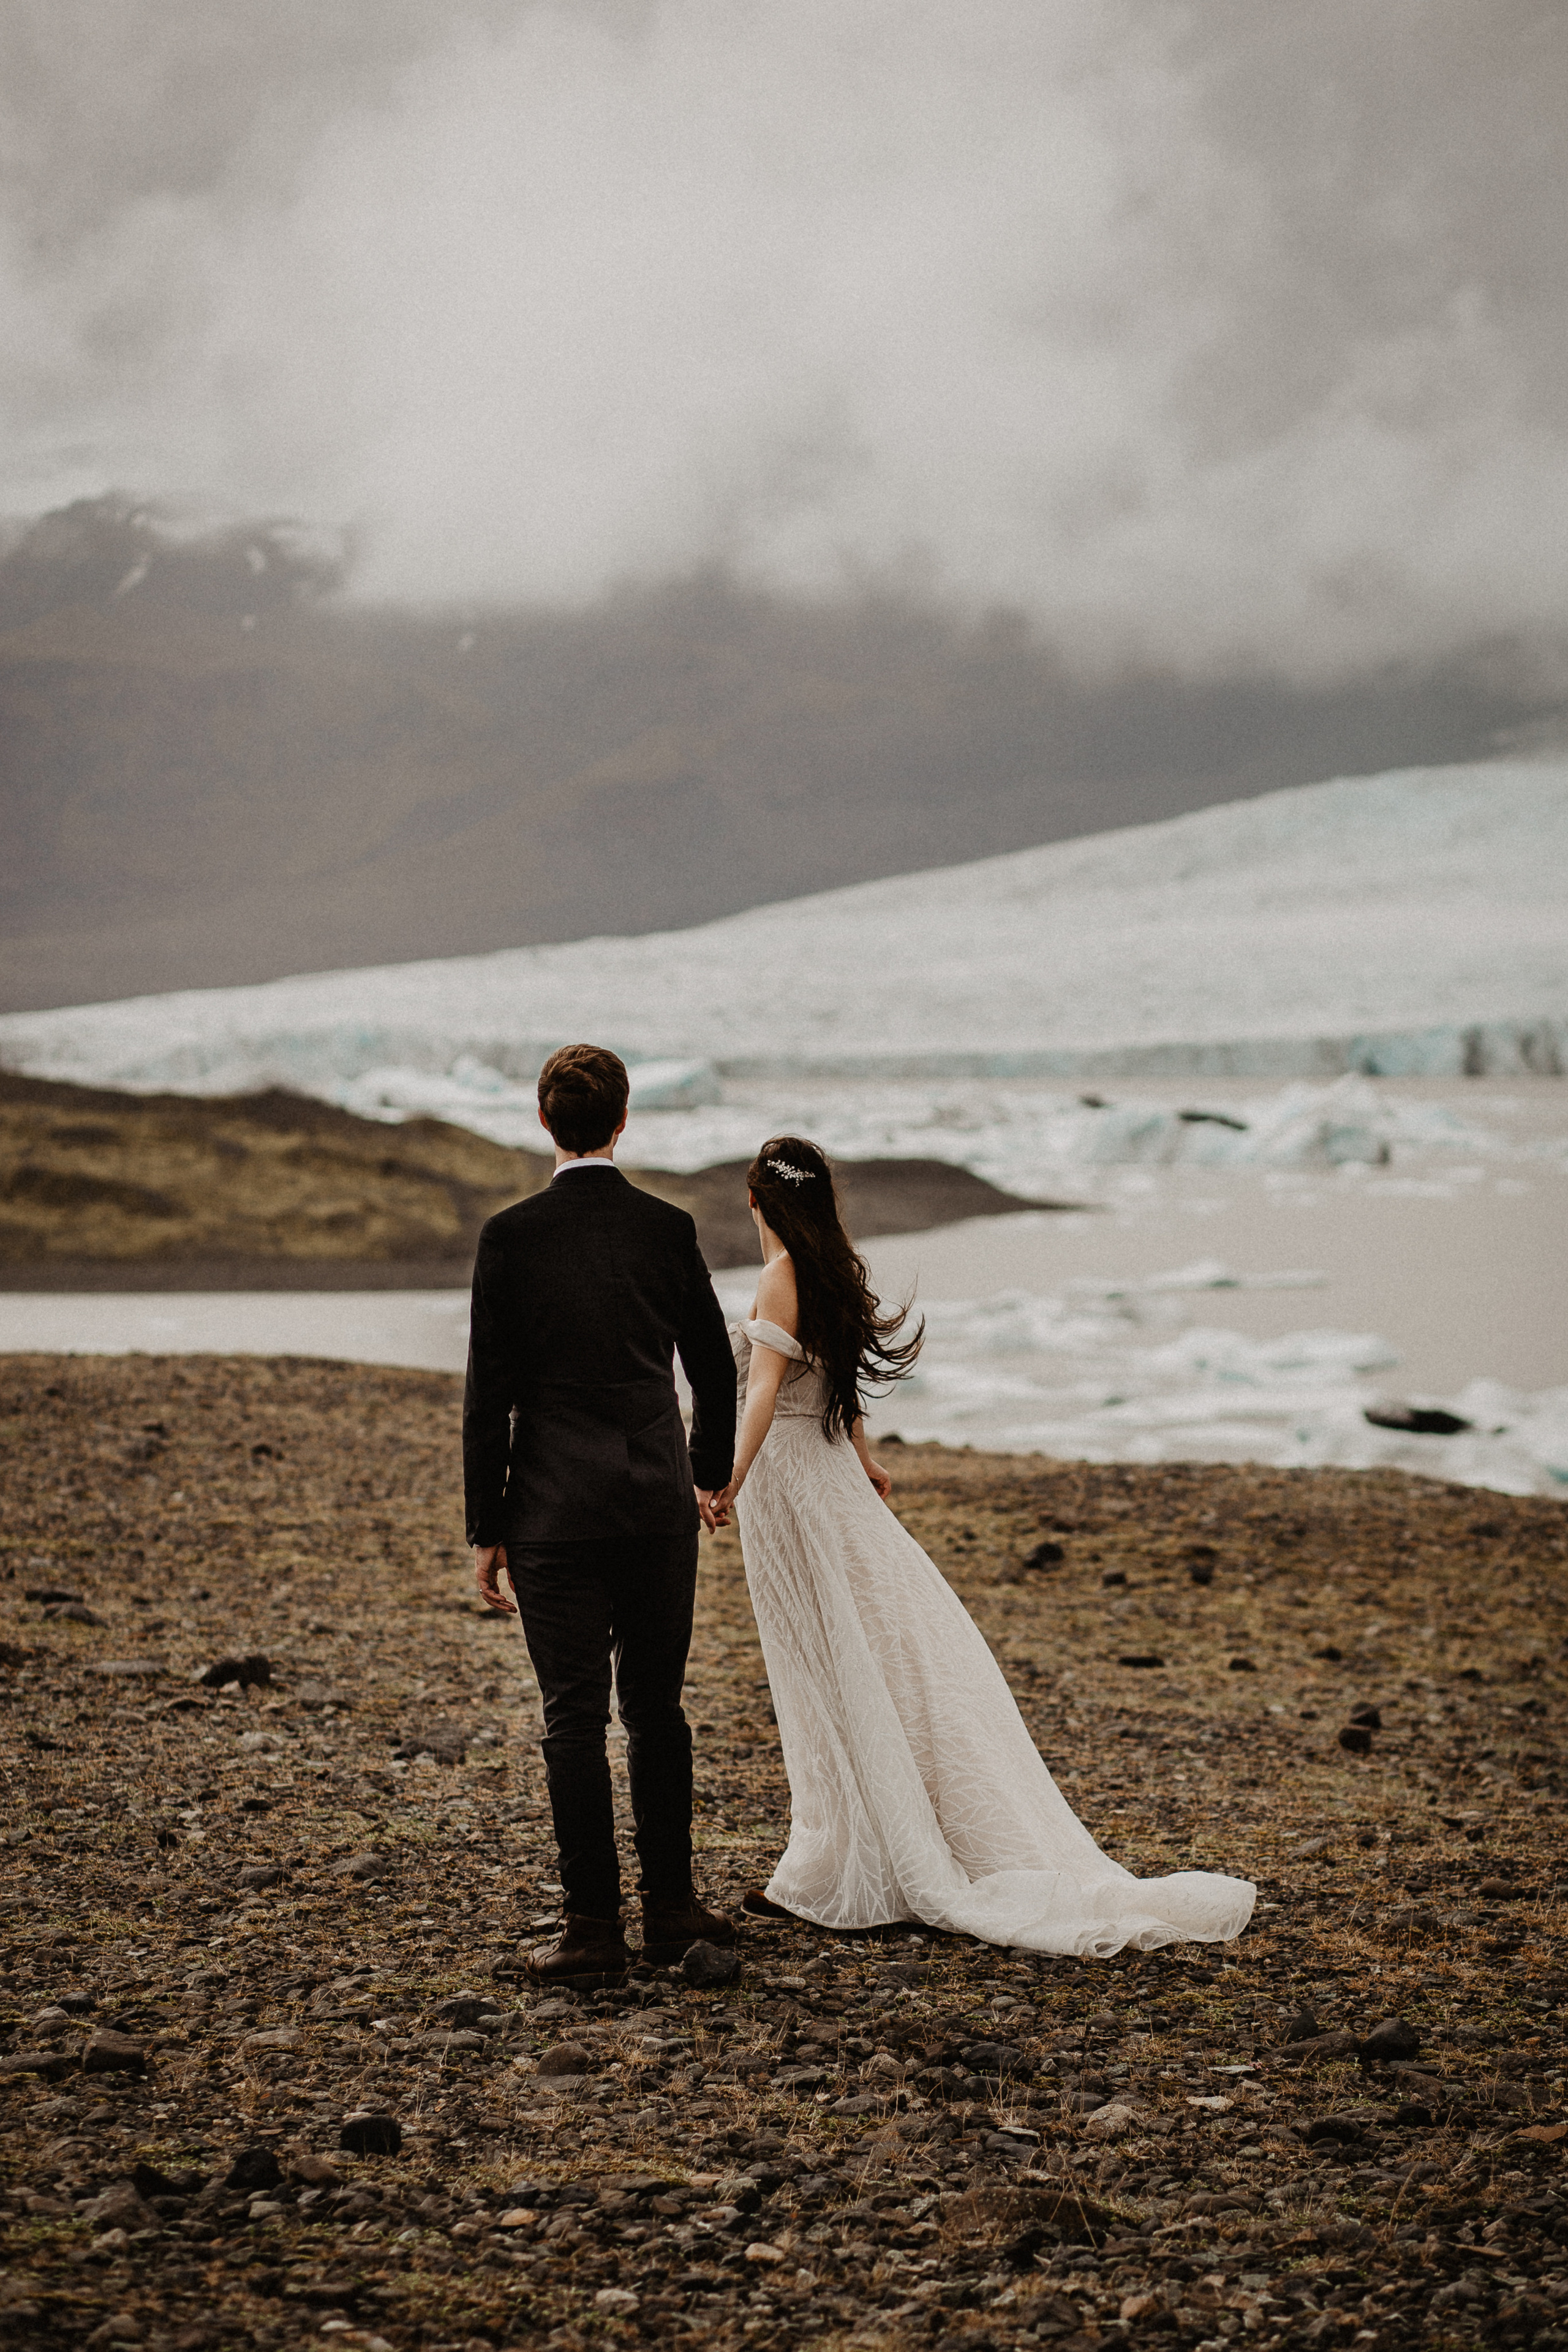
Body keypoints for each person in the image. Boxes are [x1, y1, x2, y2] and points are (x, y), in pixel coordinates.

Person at [713, 1136, 1256, 1956]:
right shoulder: (830, 1271)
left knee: (827, 1666)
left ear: (757, 1201)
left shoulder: (780, 1276)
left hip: (792, 1486)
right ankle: (838, 1856)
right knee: (853, 1659)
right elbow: (841, 1384)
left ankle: (851, 1867)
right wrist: (862, 1457)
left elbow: (763, 1393)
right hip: (822, 1477)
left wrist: (728, 1475)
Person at [464, 1042, 741, 1988]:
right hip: (654, 1503)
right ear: (623, 1121)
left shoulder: (510, 1235)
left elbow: (487, 1394)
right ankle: (669, 1910)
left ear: (547, 1124)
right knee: (657, 1709)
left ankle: (590, 1932)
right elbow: (711, 1364)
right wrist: (707, 1474)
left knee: (572, 1718)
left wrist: (486, 1524)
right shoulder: (666, 1229)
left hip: (550, 1509)